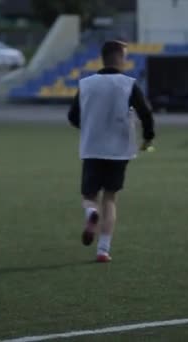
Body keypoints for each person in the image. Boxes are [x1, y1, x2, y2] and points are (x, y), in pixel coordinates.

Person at [68, 40, 155, 263]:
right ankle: (103, 250)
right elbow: (146, 113)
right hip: (119, 150)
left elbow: (72, 116)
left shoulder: (86, 84)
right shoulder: (128, 84)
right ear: (118, 57)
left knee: (89, 196)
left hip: (92, 148)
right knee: (110, 198)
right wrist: (148, 137)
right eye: (124, 56)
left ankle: (90, 213)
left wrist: (87, 127)